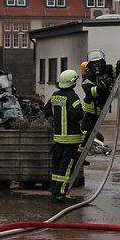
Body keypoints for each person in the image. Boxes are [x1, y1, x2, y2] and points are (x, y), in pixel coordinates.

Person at [44, 69, 84, 203]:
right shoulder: (73, 97)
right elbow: (78, 114)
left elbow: (46, 111)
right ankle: (60, 194)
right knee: (66, 167)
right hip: (71, 138)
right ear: (72, 83)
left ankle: (54, 189)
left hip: (59, 138)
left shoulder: (55, 95)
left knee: (57, 164)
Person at [80, 49, 120, 155]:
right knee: (86, 132)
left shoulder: (108, 69)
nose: (97, 66)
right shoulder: (88, 75)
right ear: (90, 65)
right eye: (94, 63)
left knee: (92, 132)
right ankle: (80, 154)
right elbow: (91, 92)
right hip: (90, 110)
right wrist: (104, 84)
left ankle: (85, 150)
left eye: (99, 62)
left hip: (102, 107)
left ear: (103, 62)